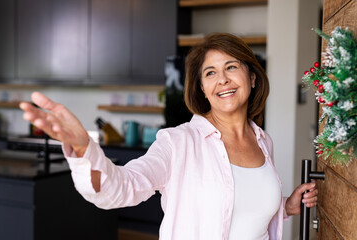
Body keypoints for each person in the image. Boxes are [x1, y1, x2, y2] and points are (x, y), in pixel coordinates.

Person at [20, 33, 318, 240]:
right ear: (202, 88)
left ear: (252, 78)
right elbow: (122, 187)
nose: (223, 79)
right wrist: (86, 148)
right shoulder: (178, 142)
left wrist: (286, 206)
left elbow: (245, 208)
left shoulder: (263, 141)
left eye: (231, 67)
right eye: (210, 73)